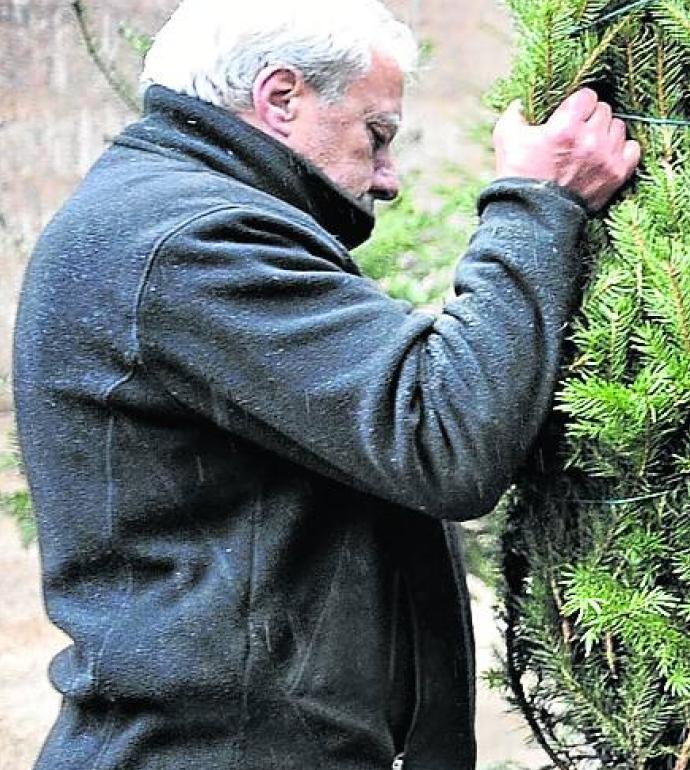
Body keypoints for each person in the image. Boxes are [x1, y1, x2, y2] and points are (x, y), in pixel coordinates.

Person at [12, 1, 640, 768]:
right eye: (377, 134)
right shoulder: (191, 239)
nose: (389, 180)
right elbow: (442, 438)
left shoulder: (172, 215)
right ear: (280, 99)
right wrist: (535, 205)